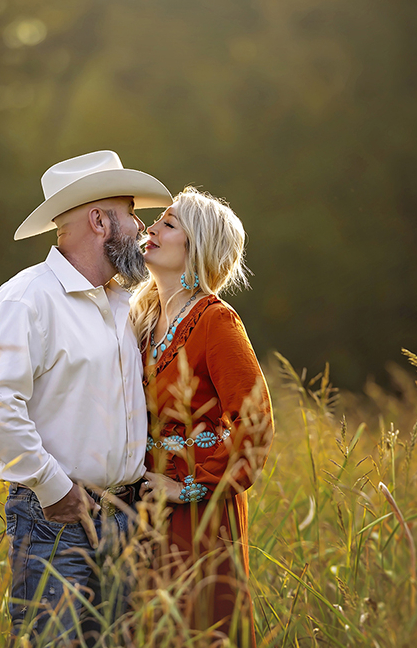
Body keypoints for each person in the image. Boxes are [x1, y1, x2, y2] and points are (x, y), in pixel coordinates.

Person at [0, 150, 171, 643]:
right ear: (99, 220)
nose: (140, 228)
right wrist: (53, 487)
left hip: (125, 518)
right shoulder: (27, 298)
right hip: (54, 518)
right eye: (129, 214)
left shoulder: (129, 303)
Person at [132, 186, 274, 647]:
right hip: (139, 511)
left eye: (169, 224)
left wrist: (187, 485)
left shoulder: (216, 320)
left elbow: (255, 422)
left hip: (200, 514)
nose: (151, 228)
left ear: (199, 248)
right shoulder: (138, 317)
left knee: (200, 629)